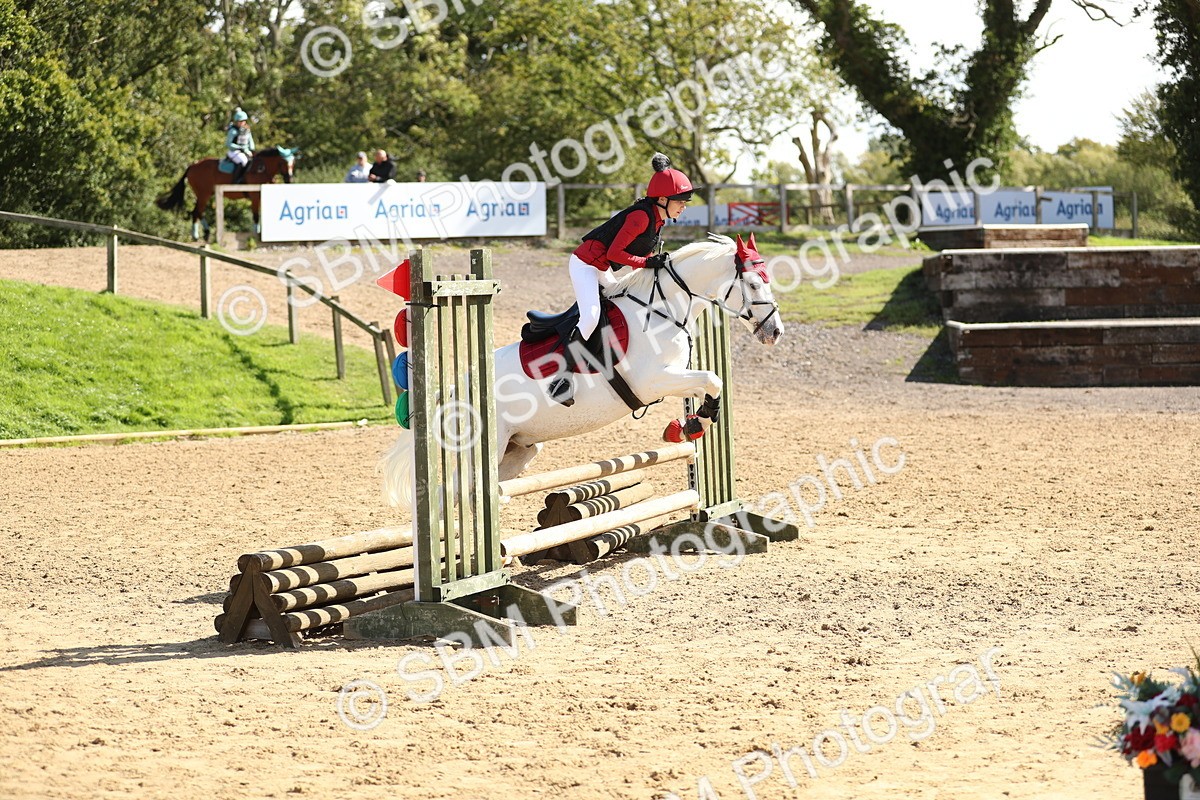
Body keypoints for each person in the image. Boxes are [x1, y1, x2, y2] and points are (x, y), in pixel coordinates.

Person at [547, 153, 693, 406]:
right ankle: (561, 378)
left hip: (601, 267)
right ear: (661, 199)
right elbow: (616, 253)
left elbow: (640, 251)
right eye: (680, 200)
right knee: (591, 315)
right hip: (585, 264)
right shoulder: (641, 216)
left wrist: (658, 264)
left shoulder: (657, 219)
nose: (684, 206)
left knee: (622, 301)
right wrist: (647, 263)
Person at [224, 107, 255, 184]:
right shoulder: (233, 131)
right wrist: (240, 148)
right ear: (236, 121)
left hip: (245, 151)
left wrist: (252, 150)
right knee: (243, 161)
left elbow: (250, 141)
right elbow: (228, 144)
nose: (241, 123)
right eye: (240, 121)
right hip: (234, 151)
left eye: (243, 121)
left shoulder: (247, 130)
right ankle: (237, 180)